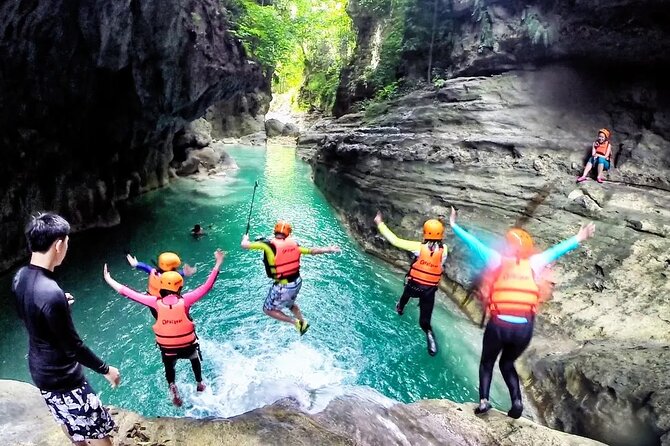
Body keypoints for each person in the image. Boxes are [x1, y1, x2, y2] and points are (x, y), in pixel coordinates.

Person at [449, 207, 595, 418]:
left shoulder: (496, 259)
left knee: (487, 363)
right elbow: (558, 250)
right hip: (523, 328)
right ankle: (517, 402)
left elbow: (473, 243)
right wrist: (580, 236)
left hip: (499, 324)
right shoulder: (535, 263)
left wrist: (454, 225)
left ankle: (483, 401)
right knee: (507, 363)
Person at [11, 213, 120, 446]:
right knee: (98, 431)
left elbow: (30, 315)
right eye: (67, 242)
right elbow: (73, 347)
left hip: (40, 371)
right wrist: (106, 369)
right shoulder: (50, 292)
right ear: (59, 244)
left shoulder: (20, 277)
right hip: (64, 376)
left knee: (67, 419)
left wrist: (59, 309)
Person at [103, 249, 224, 407]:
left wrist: (108, 279)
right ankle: (200, 383)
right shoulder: (186, 300)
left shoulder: (154, 302)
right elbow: (207, 286)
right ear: (180, 286)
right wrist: (218, 263)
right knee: (194, 357)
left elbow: (127, 292)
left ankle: (172, 386)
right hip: (187, 347)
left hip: (169, 349)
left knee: (169, 366)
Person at [240, 220, 339, 335]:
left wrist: (245, 238)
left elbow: (244, 245)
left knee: (268, 310)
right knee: (290, 304)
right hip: (297, 282)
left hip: (284, 285)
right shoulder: (294, 245)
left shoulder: (268, 245)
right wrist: (329, 249)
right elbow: (312, 251)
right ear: (288, 234)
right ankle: (303, 323)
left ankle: (295, 322)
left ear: (274, 231)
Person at [374, 212, 448, 356]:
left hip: (415, 285)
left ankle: (400, 308)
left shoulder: (418, 247)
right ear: (441, 235)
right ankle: (430, 336)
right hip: (429, 291)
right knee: (424, 322)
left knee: (406, 295)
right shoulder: (444, 250)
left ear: (425, 233)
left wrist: (379, 223)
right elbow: (439, 263)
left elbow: (395, 240)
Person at [126, 251, 196, 297]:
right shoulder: (175, 275)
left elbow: (146, 267)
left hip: (152, 300)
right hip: (165, 302)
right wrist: (189, 271)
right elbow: (182, 273)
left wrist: (136, 264)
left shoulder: (154, 272)